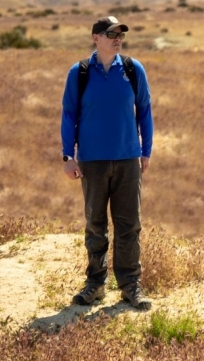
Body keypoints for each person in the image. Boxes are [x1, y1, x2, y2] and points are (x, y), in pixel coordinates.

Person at [61, 16, 154, 310]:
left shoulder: (132, 69)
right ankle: (95, 285)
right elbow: (68, 115)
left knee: (129, 225)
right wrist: (67, 156)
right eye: (111, 33)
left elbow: (145, 111)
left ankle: (130, 286)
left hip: (128, 159)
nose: (117, 38)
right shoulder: (80, 73)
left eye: (120, 34)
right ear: (95, 37)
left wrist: (146, 151)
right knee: (96, 225)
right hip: (92, 162)